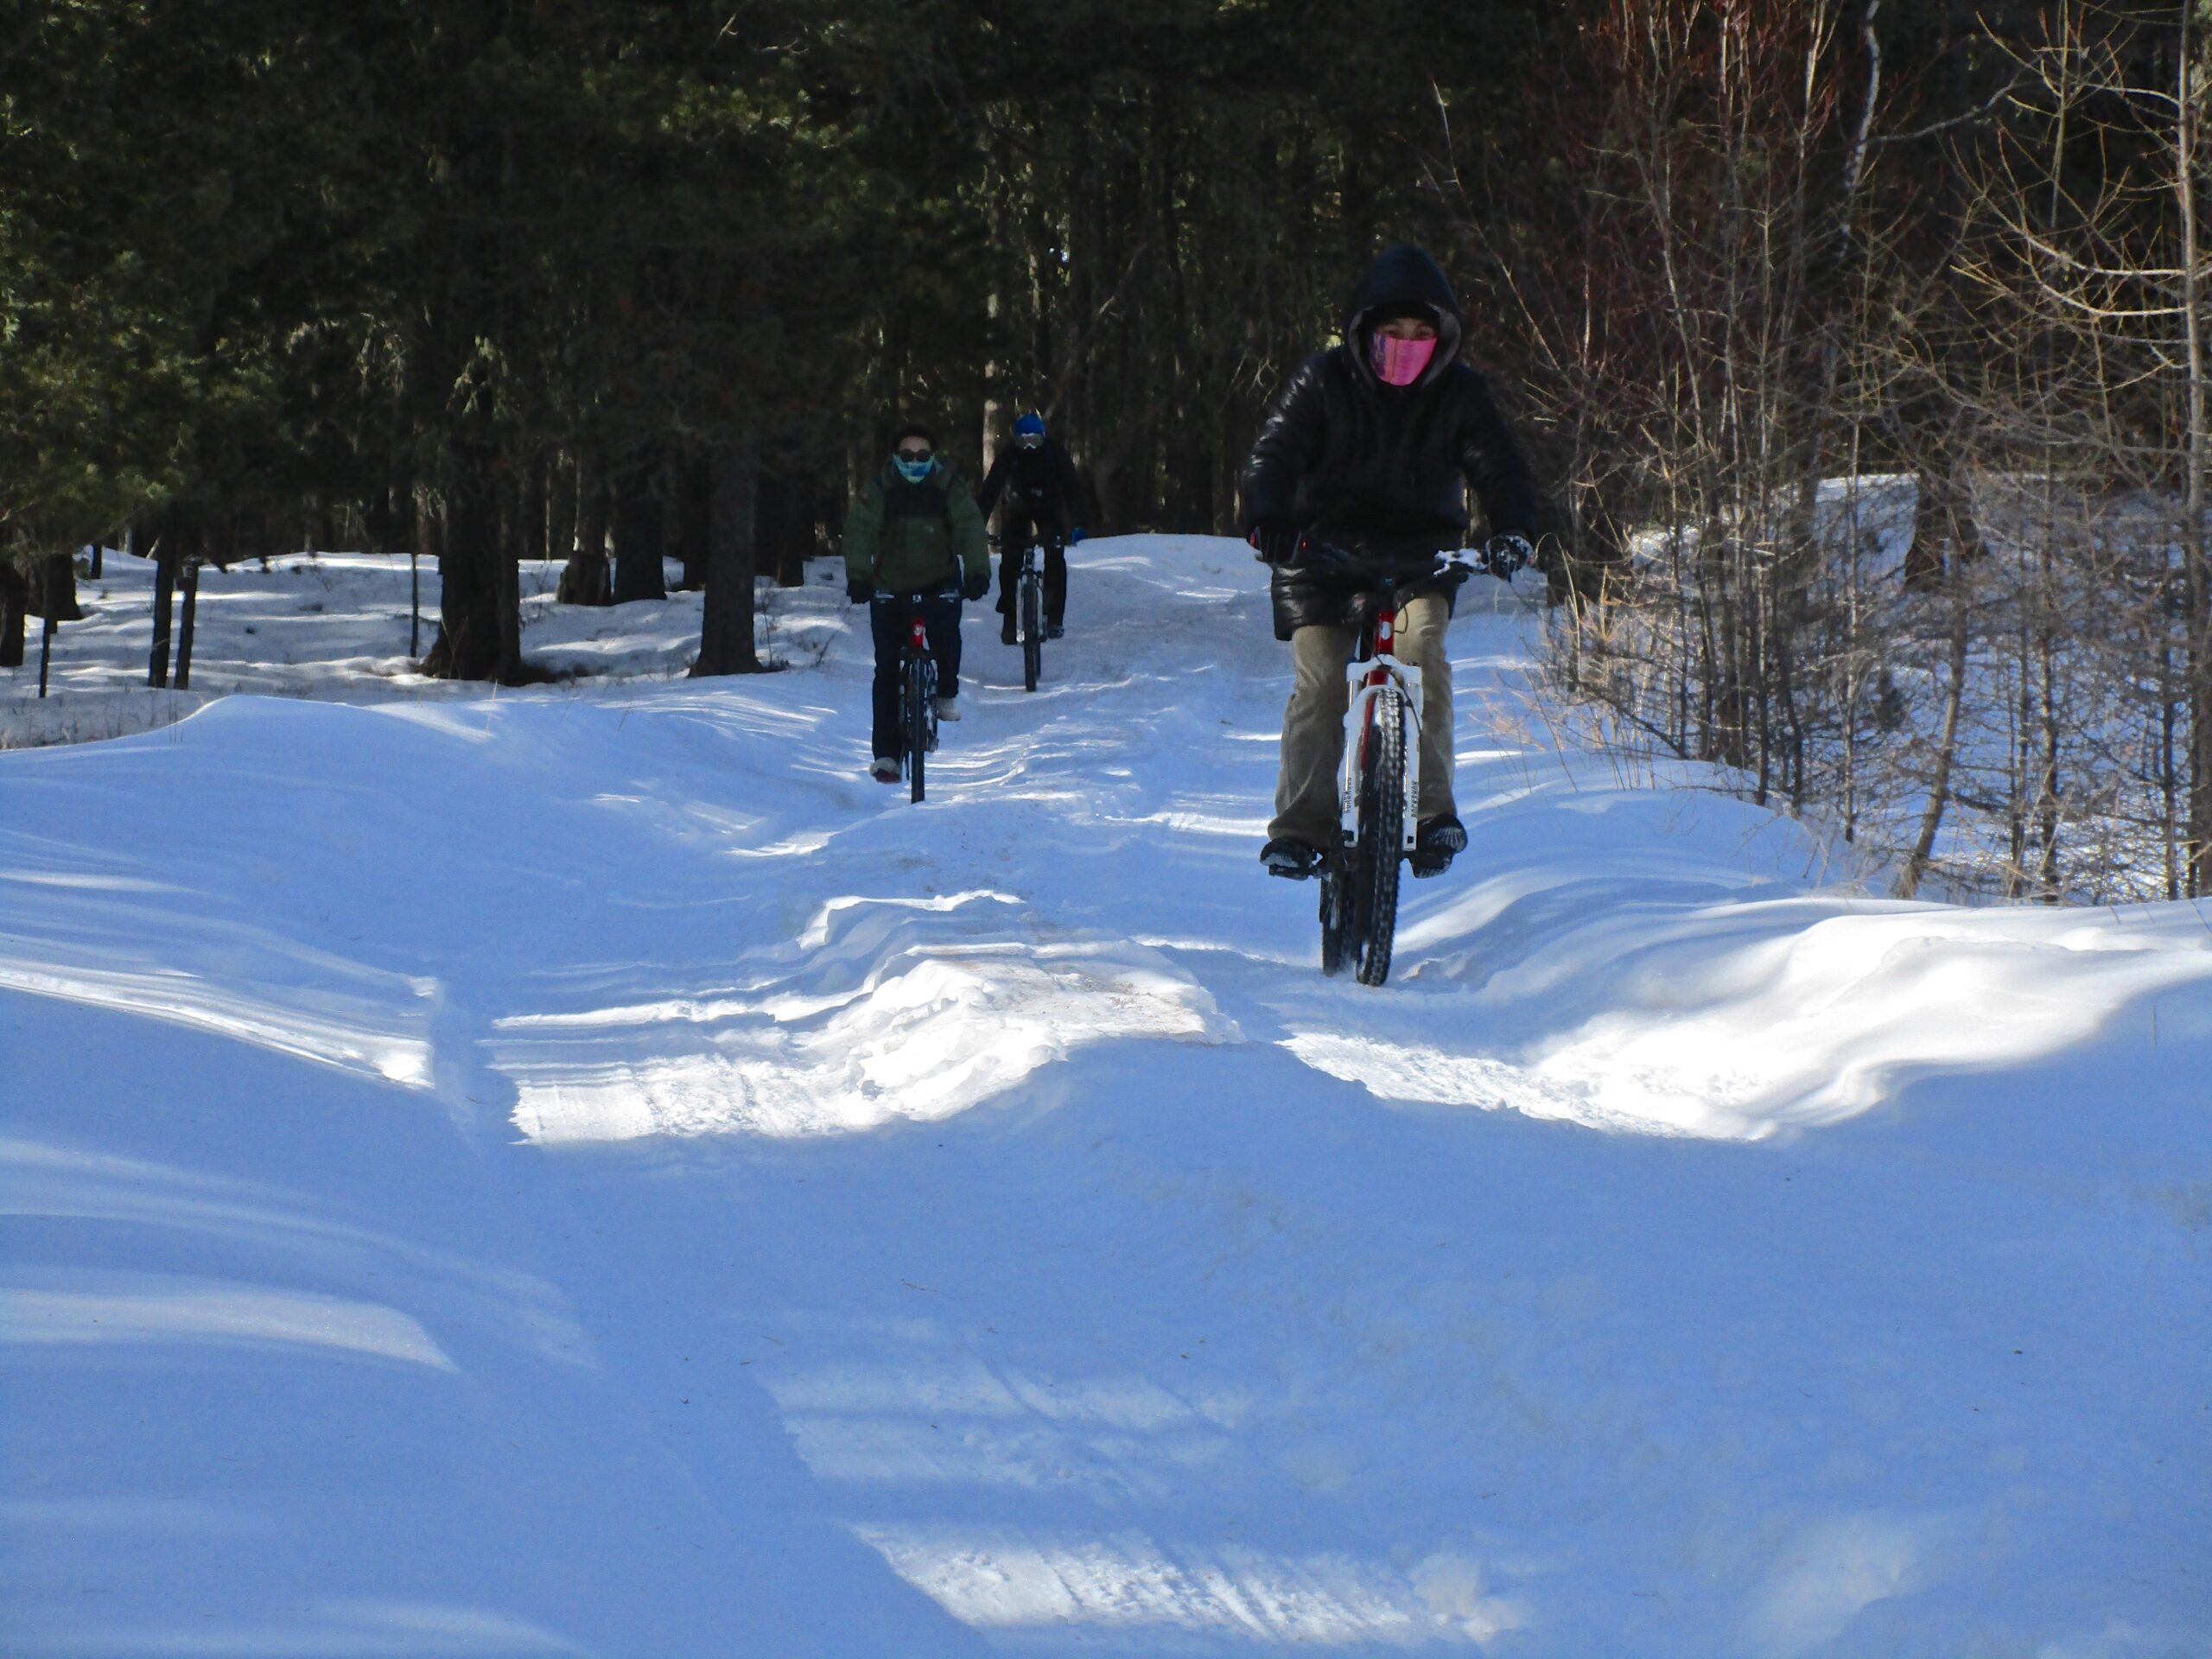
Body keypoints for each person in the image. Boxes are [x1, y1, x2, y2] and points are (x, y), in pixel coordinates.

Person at [1242, 244, 1539, 880]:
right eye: (1392, 332)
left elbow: (1501, 467)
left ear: (1443, 338)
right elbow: (1275, 455)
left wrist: (1513, 528)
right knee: (1321, 680)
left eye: (1422, 333)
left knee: (1422, 651)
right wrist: (1269, 521)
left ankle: (1432, 815)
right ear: (1363, 330)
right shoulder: (1321, 381)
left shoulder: (1461, 395)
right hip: (1319, 557)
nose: (1406, 344)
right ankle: (1299, 828)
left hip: (1419, 561)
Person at [842, 424, 991, 783]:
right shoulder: (879, 489)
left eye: (922, 456)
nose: (915, 461)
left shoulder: (949, 487)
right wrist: (860, 576)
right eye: (907, 455)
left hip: (939, 580)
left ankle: (946, 691)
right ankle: (887, 757)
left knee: (946, 639)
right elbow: (860, 529)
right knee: (887, 671)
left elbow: (970, 527)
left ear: (933, 458)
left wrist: (977, 573)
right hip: (890, 585)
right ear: (895, 457)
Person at [975, 410, 1085, 644]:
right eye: (1022, 442)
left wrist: (1077, 524)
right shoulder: (1008, 455)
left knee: (1055, 555)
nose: (1029, 448)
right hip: (1017, 508)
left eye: (1034, 441)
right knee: (1010, 560)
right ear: (1015, 440)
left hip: (1049, 508)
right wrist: (976, 525)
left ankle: (1054, 619)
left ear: (1043, 437)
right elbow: (990, 490)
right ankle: (1009, 619)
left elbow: (1072, 489)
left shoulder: (1056, 454)